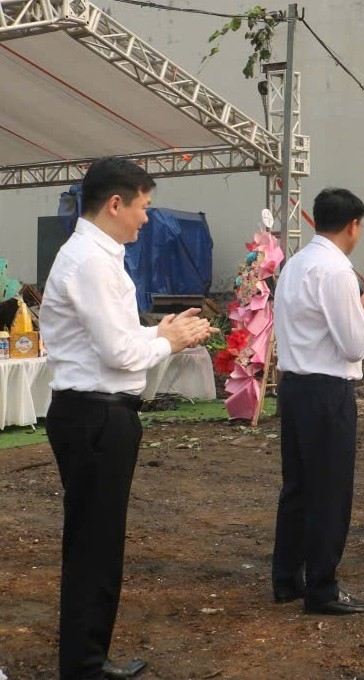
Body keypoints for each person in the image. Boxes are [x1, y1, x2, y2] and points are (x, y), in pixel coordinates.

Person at [40, 157, 215, 680]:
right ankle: (85, 663)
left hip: (97, 412)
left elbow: (114, 341)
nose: (145, 219)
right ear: (115, 204)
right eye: (143, 207)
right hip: (95, 415)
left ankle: (89, 655)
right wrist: (167, 339)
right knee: (94, 542)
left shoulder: (98, 255)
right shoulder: (91, 261)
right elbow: (118, 352)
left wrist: (158, 333)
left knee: (97, 539)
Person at [272, 188, 364, 616]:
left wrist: (362, 309)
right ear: (353, 225)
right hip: (326, 390)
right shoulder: (335, 269)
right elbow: (353, 346)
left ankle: (287, 578)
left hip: (294, 386)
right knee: (329, 490)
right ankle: (323, 588)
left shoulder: (296, 264)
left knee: (298, 487)